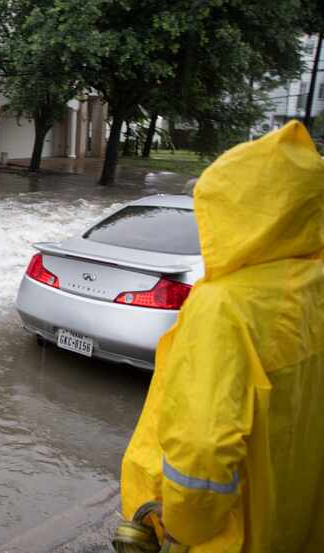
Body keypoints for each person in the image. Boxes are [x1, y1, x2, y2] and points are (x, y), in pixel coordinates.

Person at [118, 120, 324, 552]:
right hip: (297, 524)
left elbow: (202, 451)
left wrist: (181, 528)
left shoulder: (224, 307)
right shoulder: (313, 286)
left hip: (230, 538)